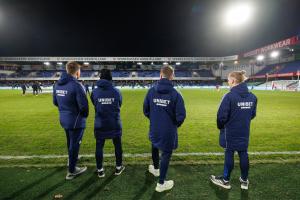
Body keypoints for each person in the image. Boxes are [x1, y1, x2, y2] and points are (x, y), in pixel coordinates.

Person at [210, 70, 257, 190]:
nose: (228, 82)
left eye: (228, 80)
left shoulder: (229, 96)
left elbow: (221, 117)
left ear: (233, 80)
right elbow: (252, 115)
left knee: (229, 153)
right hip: (244, 131)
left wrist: (221, 127)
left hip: (230, 131)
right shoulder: (253, 97)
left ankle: (225, 180)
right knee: (243, 153)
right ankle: (244, 180)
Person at [143, 65, 186, 192]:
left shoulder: (151, 91)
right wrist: (173, 125)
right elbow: (181, 116)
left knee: (155, 145)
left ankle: (156, 169)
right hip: (168, 130)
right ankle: (161, 183)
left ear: (160, 75)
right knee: (166, 154)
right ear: (172, 76)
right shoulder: (176, 94)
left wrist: (155, 119)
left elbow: (145, 110)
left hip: (155, 127)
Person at [53, 61, 89, 180]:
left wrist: (65, 110)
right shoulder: (77, 85)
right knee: (74, 145)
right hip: (76, 121)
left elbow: (55, 102)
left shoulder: (57, 84)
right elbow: (83, 107)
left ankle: (71, 161)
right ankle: (72, 171)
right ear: (77, 72)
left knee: (70, 142)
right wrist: (84, 116)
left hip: (64, 119)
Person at [90, 69, 124, 177]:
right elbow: (120, 104)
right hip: (114, 122)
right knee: (117, 145)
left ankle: (100, 170)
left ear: (100, 78)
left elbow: (94, 104)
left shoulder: (94, 92)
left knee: (99, 146)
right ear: (111, 78)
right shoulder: (116, 91)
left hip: (100, 122)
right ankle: (118, 168)